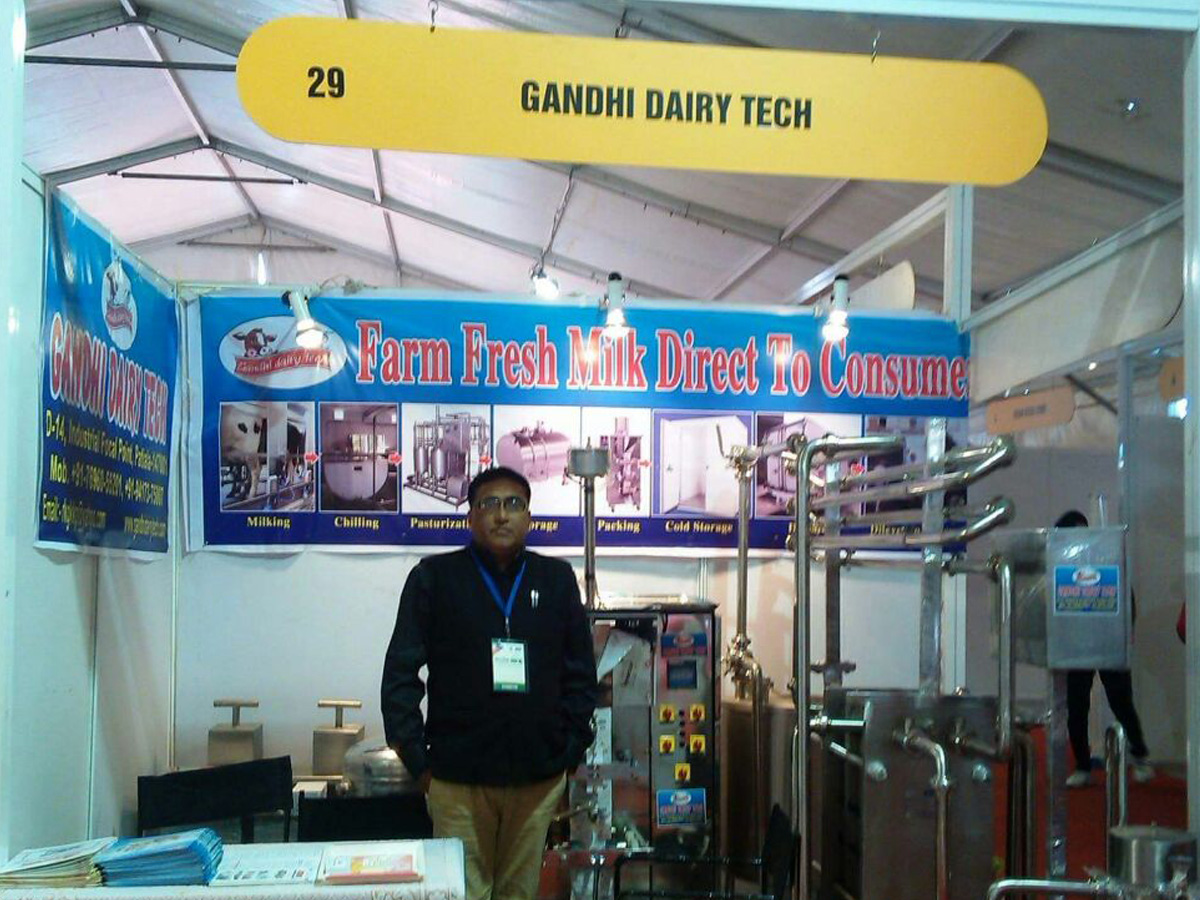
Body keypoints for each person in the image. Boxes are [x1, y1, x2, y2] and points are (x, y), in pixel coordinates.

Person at [382, 466, 598, 900]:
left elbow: (580, 674)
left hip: (536, 780)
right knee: (462, 893)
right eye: (489, 504)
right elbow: (400, 674)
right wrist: (419, 764)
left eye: (514, 504)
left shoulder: (556, 581)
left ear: (529, 517)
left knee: (519, 893)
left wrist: (569, 752)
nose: (502, 515)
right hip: (457, 780)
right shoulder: (434, 578)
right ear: (471, 517)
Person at [1057, 510, 1154, 787]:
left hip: (1109, 641)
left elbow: (1126, 597)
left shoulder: (1107, 559)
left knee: (1121, 701)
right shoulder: (1061, 566)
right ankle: (1082, 766)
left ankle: (1140, 756)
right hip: (1077, 647)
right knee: (1077, 708)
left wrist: (1125, 632)